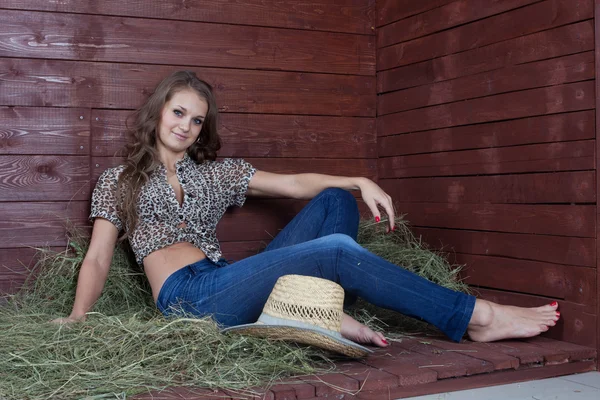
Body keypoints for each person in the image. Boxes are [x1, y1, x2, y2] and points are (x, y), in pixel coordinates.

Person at [54, 70, 560, 347]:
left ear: (204, 129)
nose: (185, 124)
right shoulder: (120, 181)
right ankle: (475, 316)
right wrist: (78, 318)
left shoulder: (216, 174)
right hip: (188, 301)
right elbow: (98, 257)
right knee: (336, 250)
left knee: (334, 203)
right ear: (160, 112)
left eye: (197, 119)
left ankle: (314, 312)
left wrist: (359, 180)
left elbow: (295, 183)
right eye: (178, 112)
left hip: (225, 280)